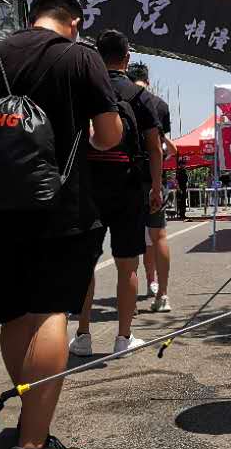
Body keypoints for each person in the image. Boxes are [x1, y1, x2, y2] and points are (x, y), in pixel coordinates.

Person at [0, 0, 122, 449]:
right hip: (61, 204)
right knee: (50, 312)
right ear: (72, 20)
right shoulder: (80, 57)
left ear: (31, 17)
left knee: (12, 312)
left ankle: (31, 416)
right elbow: (109, 135)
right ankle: (32, 446)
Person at [70, 31, 164, 358]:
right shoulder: (141, 97)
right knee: (128, 266)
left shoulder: (84, 90)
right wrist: (156, 186)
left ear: (97, 56)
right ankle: (123, 338)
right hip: (128, 188)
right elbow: (154, 148)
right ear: (126, 58)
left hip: (88, 187)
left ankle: (82, 336)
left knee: (84, 264)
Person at [127, 61, 175, 311]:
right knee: (160, 237)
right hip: (155, 178)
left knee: (130, 239)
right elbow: (161, 146)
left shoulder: (120, 99)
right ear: (148, 78)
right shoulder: (161, 105)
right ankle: (163, 296)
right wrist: (157, 185)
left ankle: (129, 299)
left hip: (127, 179)